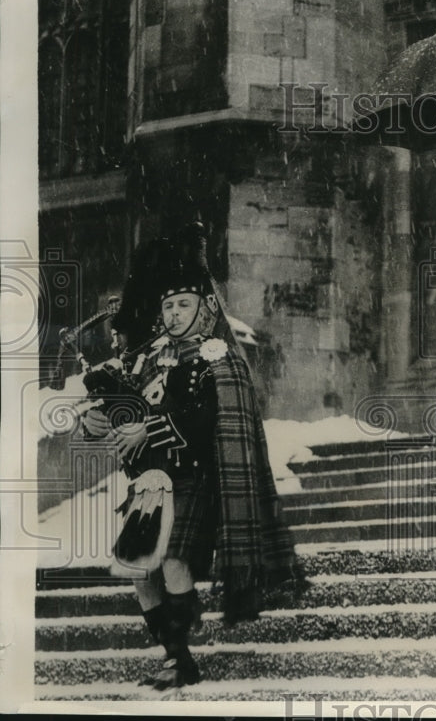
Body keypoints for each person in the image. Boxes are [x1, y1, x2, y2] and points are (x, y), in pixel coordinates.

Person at [82, 224, 297, 690]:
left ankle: (181, 648)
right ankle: (177, 654)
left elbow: (203, 425)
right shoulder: (148, 360)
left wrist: (149, 428)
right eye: (168, 306)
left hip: (193, 477)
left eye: (184, 305)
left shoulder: (213, 357)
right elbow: (123, 406)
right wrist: (96, 422)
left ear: (206, 308)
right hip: (148, 484)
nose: (175, 313)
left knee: (175, 561)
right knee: (141, 572)